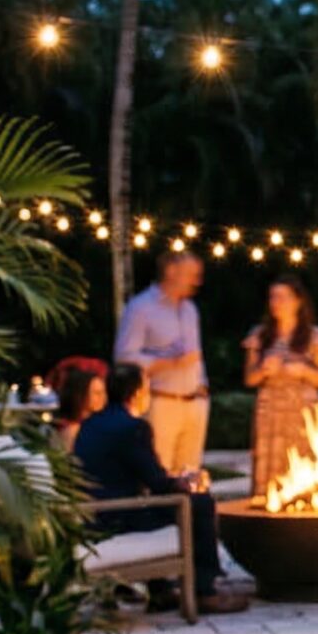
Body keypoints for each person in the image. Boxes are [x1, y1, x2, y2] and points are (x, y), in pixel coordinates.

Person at [72, 362, 250, 615]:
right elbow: (158, 484)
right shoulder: (133, 427)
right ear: (137, 394)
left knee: (161, 503)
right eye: (147, 388)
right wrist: (185, 482)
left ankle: (161, 592)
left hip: (93, 517)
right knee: (200, 503)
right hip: (119, 519)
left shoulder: (90, 424)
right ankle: (205, 591)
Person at [113, 252, 209, 473]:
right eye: (191, 275)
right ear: (171, 271)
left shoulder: (189, 309)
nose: (197, 281)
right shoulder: (141, 308)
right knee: (159, 470)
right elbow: (124, 357)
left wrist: (202, 389)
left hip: (195, 402)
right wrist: (170, 362)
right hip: (162, 401)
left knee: (190, 474)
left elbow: (195, 355)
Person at [240, 275, 318, 496]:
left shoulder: (314, 336)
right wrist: (264, 370)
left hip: (302, 409)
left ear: (297, 301)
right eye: (273, 297)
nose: (276, 303)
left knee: (302, 461)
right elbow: (249, 379)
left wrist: (303, 370)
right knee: (270, 465)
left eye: (282, 297)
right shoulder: (260, 335)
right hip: (270, 410)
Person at [46, 360, 106, 452]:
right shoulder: (72, 431)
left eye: (104, 392)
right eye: (97, 393)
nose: (103, 397)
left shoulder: (92, 425)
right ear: (80, 394)